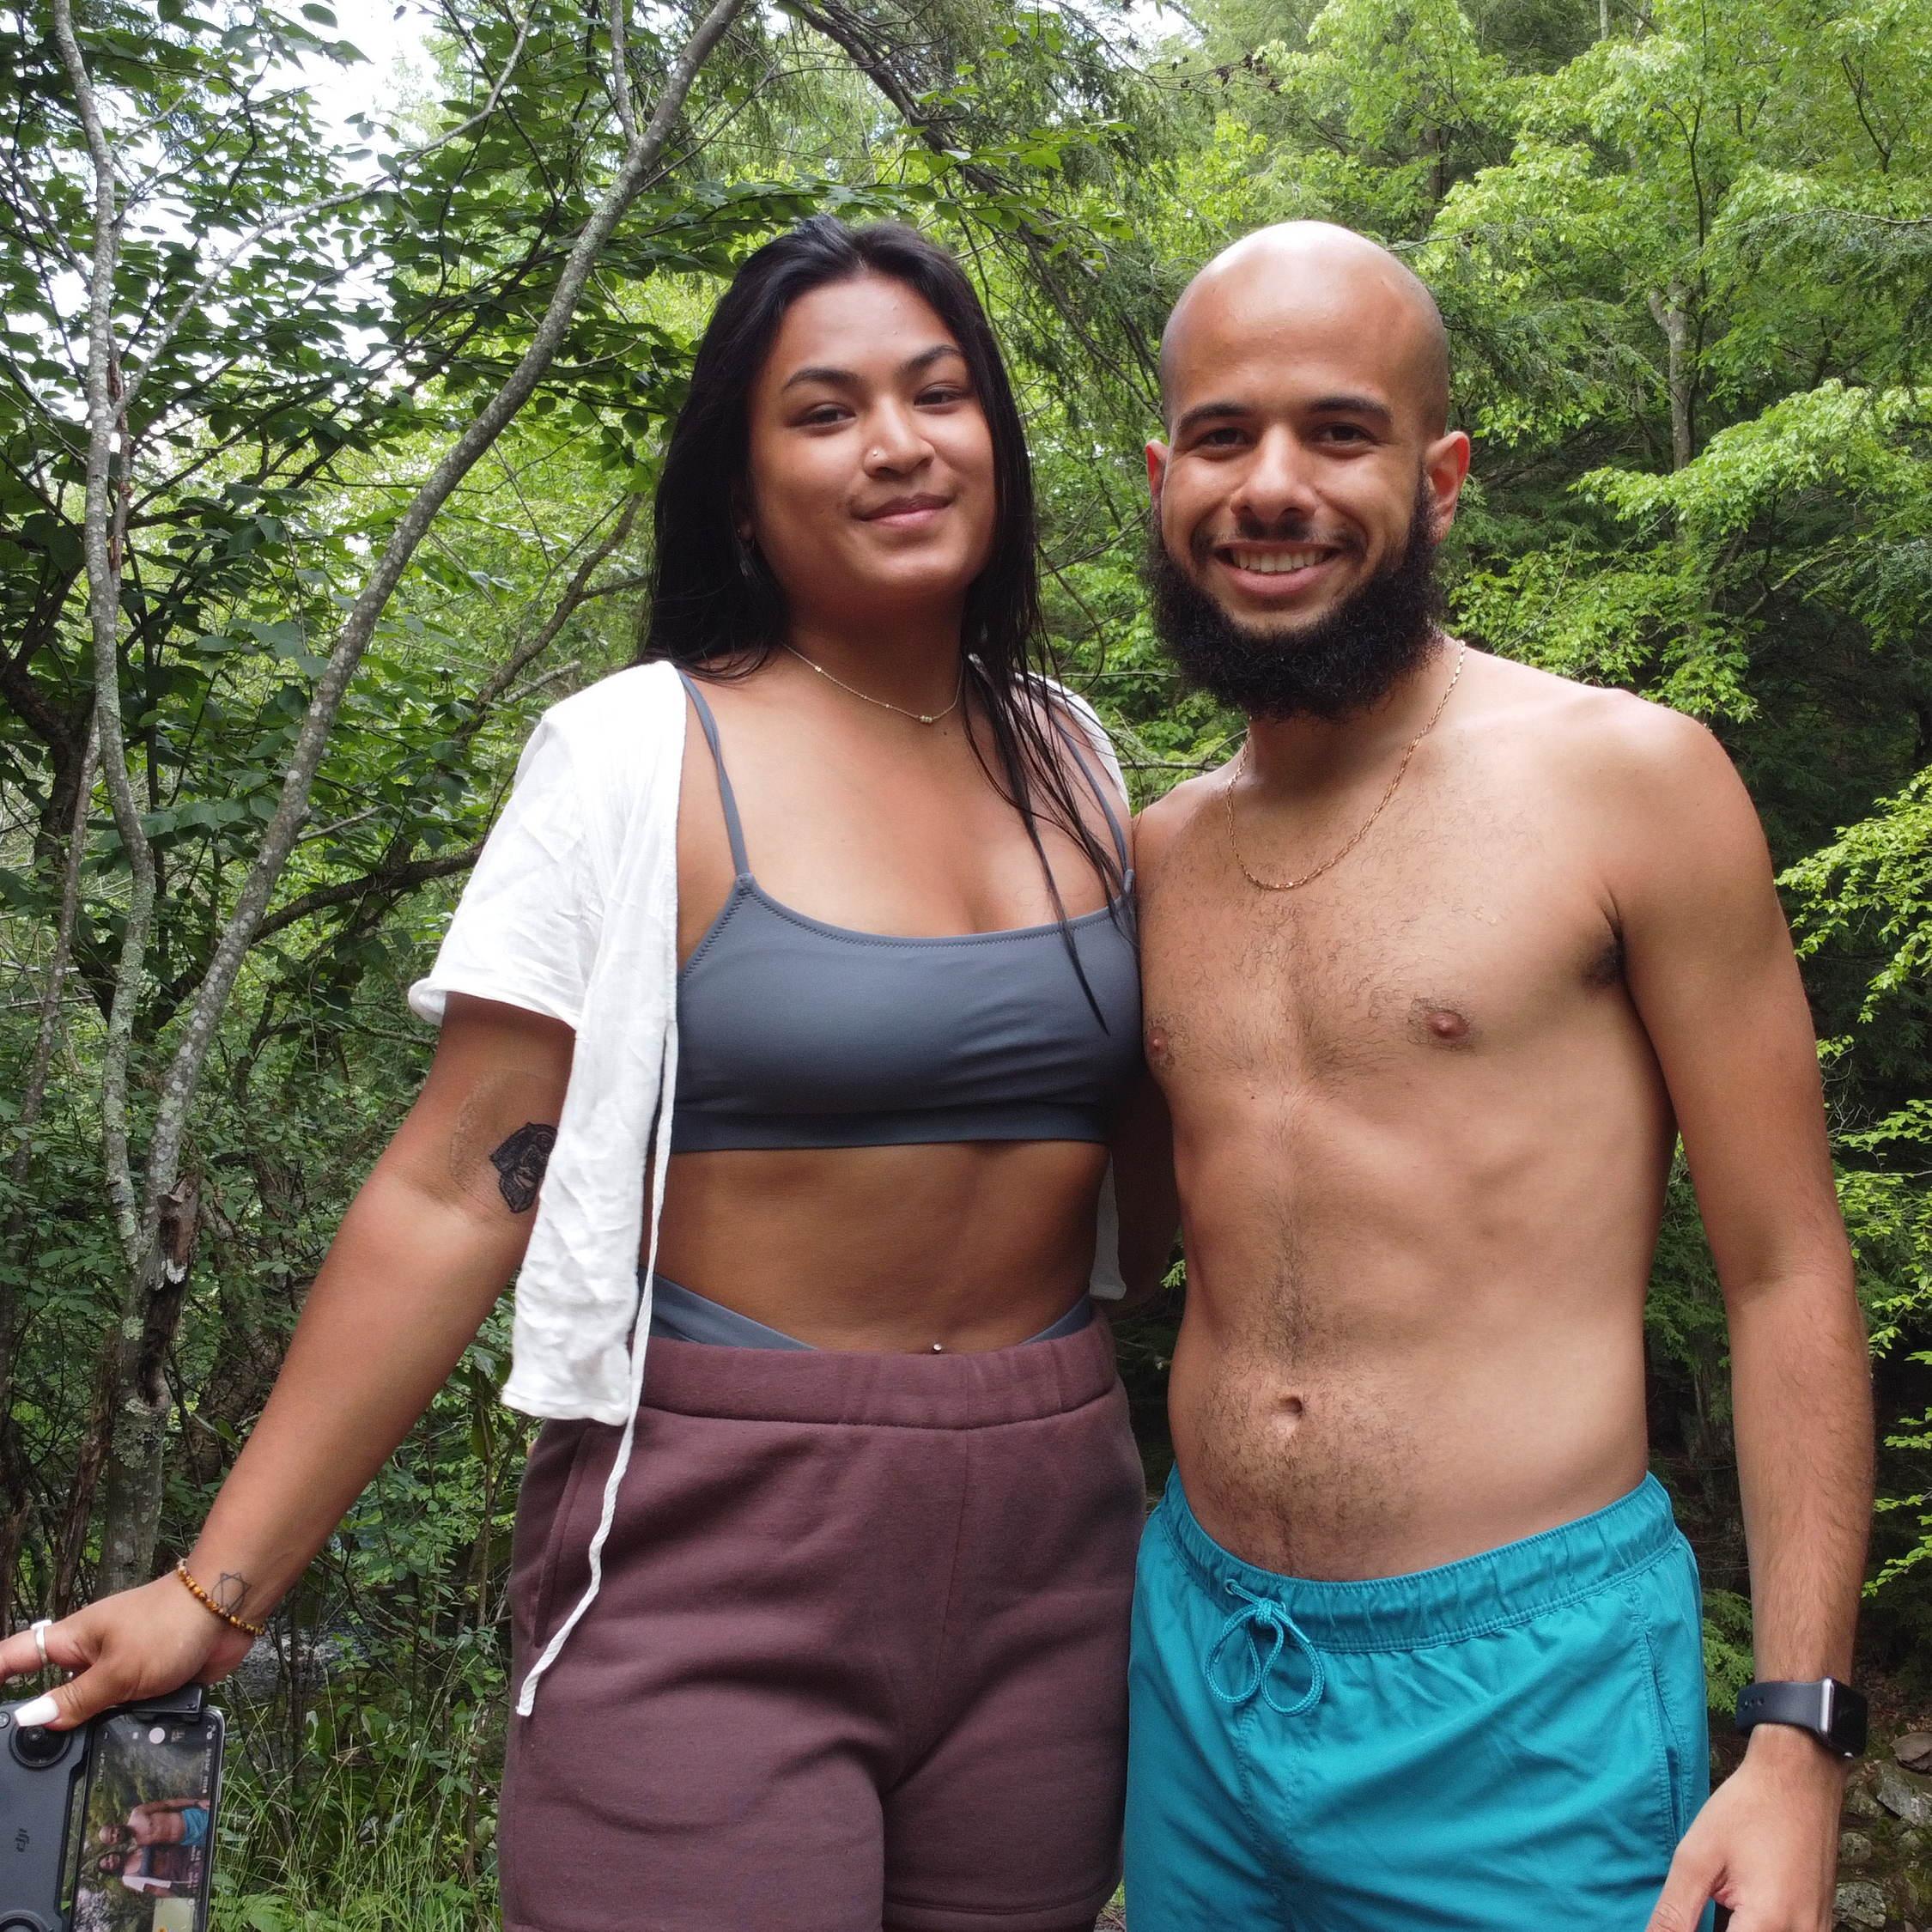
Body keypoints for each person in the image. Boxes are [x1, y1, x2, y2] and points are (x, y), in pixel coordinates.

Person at [2, 217, 1151, 1932]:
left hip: (1056, 1546)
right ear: (740, 492)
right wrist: (221, 1587)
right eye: (825, 411)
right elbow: (458, 1181)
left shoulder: (1072, 754)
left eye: (938, 393)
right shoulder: (633, 754)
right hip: (718, 1538)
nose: (899, 444)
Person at [1121, 222, 1874, 1931]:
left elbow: (1782, 1268)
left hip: (1525, 1704)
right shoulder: (1155, 852)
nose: (1272, 486)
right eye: (1224, 437)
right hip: (1199, 1658)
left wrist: (1799, 1741)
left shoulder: (1628, 783)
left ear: (1441, 478)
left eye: (1339, 432)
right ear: (1165, 483)